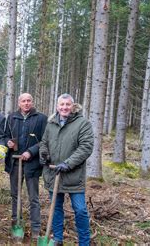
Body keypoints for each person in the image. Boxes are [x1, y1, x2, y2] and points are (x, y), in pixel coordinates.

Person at [39, 93, 93, 246]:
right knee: (56, 209)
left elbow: (86, 147)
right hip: (53, 173)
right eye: (61, 105)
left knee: (80, 210)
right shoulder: (51, 123)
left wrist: (68, 163)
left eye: (67, 104)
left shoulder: (82, 123)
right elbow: (44, 142)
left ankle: (84, 242)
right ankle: (57, 239)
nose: (64, 107)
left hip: (74, 176)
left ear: (73, 106)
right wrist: (44, 154)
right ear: (57, 106)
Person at [3, 93, 47, 239]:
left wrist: (31, 151)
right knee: (15, 195)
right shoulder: (12, 117)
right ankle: (17, 224)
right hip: (15, 162)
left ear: (32, 102)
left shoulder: (41, 118)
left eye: (29, 101)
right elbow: (5, 136)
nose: (26, 103)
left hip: (32, 164)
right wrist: (8, 142)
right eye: (23, 101)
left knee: (33, 197)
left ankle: (35, 229)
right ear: (19, 103)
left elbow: (45, 141)